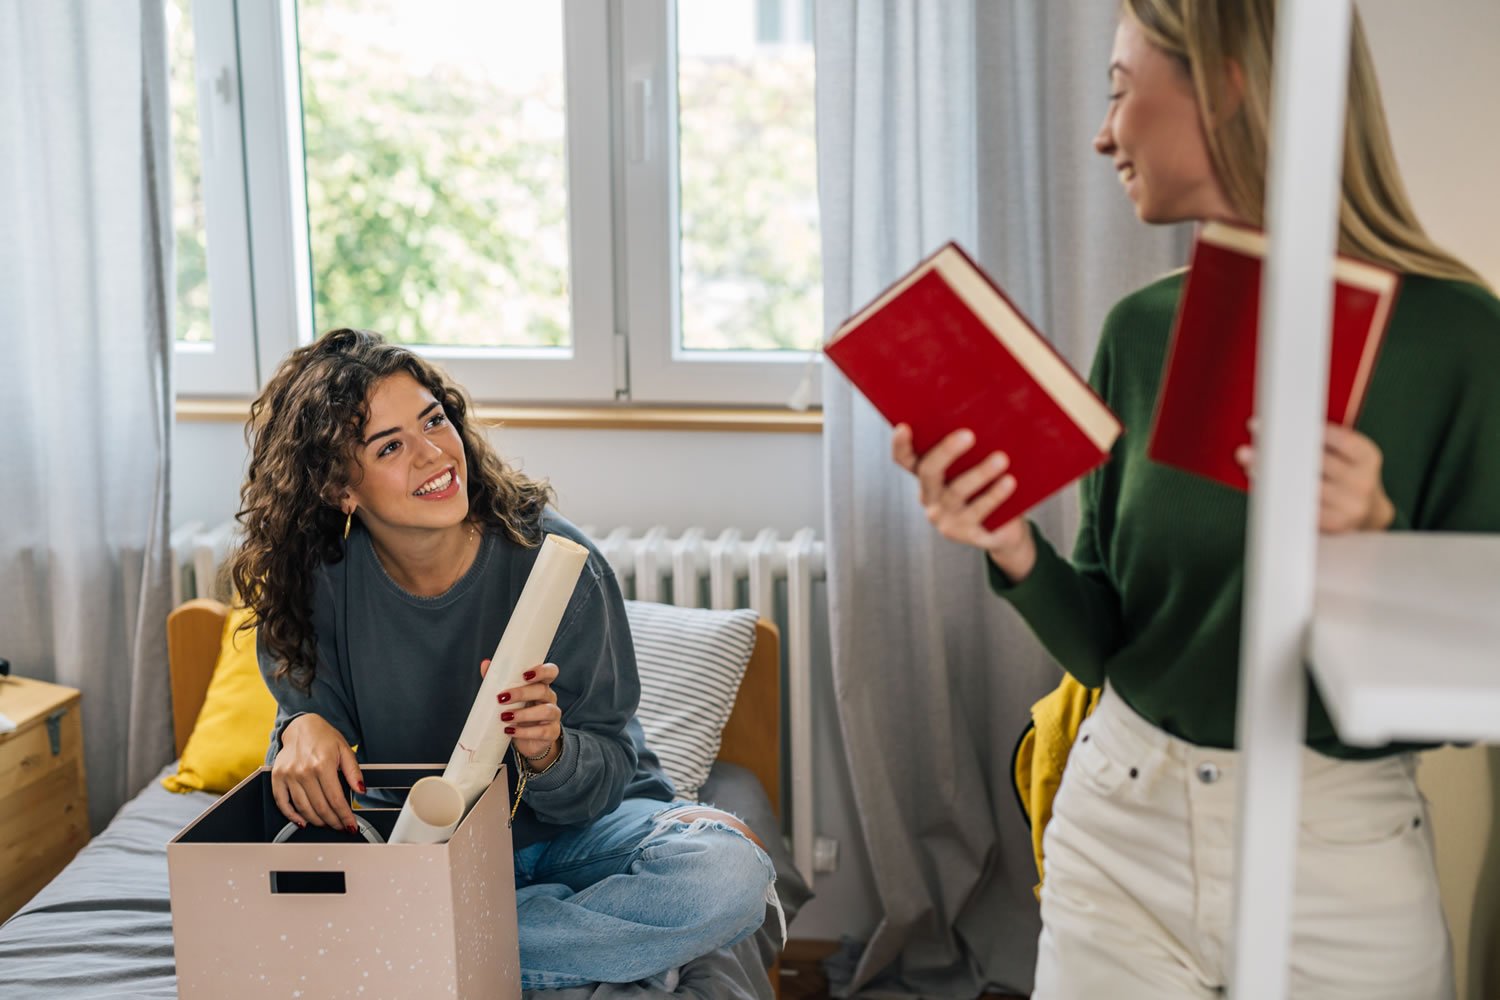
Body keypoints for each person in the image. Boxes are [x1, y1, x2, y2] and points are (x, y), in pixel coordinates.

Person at [892, 1, 1500, 998]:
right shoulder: (1142, 334)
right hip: (1120, 831)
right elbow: (1106, 641)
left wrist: (1373, 550)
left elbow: (1470, 691)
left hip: (1340, 858)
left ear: (1227, 79)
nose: (1101, 135)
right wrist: (1012, 549)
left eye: (1119, 90)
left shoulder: (1461, 341)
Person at [229, 328, 776, 991]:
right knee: (273, 894)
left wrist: (549, 750)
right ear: (341, 488)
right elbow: (311, 758)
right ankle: (567, 955)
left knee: (730, 875)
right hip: (427, 854)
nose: (433, 453)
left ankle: (421, 944)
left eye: (435, 420)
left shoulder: (556, 563)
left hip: (580, 839)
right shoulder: (315, 583)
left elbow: (608, 770)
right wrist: (300, 727)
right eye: (391, 446)